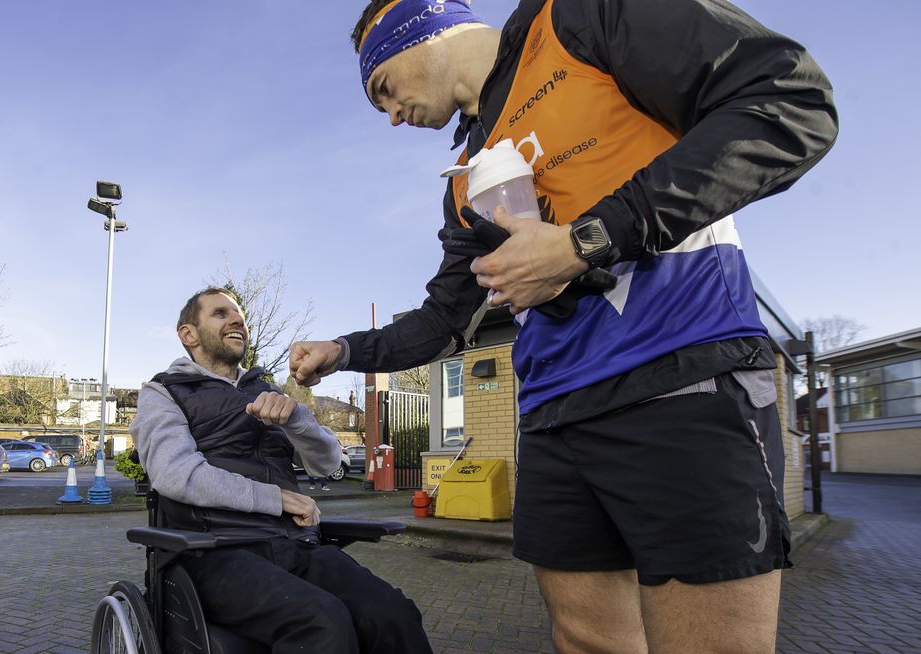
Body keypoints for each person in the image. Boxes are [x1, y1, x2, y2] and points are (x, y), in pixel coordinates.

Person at [289, 1, 838, 652]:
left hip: (680, 374)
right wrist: (344, 349)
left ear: (423, 33)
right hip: (551, 421)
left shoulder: (577, 18)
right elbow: (444, 320)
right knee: (584, 638)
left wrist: (585, 242)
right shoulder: (464, 180)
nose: (389, 114)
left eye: (383, 88)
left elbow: (789, 101)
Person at [130, 287, 431, 654]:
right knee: (323, 623)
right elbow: (176, 474)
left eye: (238, 314)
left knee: (394, 614)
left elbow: (330, 462)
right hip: (214, 552)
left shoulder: (267, 390)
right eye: (220, 313)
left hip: (295, 545)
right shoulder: (164, 393)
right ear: (188, 334)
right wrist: (278, 499)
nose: (237, 319)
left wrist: (297, 420)